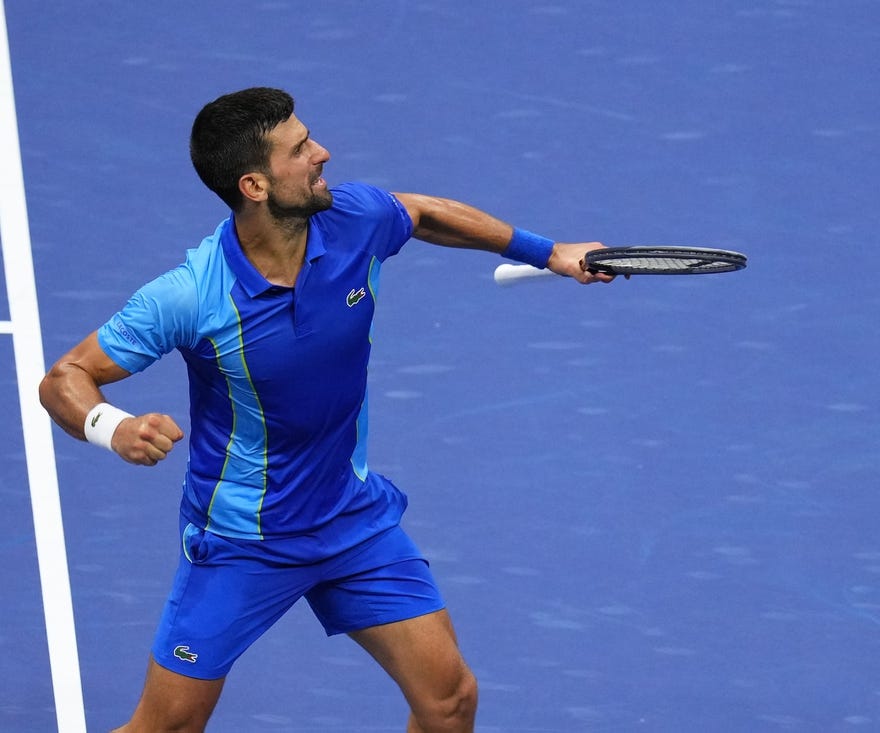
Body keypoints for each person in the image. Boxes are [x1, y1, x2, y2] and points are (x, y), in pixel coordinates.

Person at [39, 86, 613, 733]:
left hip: (350, 519)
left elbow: (422, 213)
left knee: (449, 700)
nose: (323, 153)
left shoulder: (354, 219)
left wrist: (549, 251)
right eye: (301, 149)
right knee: (166, 726)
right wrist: (114, 427)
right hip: (241, 541)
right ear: (254, 185)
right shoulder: (192, 296)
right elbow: (67, 376)